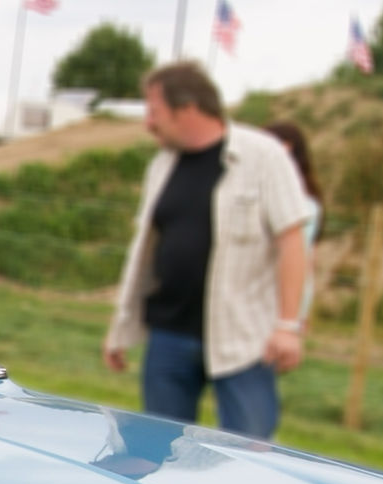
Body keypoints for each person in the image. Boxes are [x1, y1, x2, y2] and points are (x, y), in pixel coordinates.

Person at [102, 62, 309, 440]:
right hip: (169, 337)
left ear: (187, 109)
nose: (149, 123)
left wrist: (288, 326)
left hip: (244, 342)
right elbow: (144, 254)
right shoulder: (161, 166)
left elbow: (292, 241)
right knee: (158, 453)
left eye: (154, 112)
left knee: (251, 457)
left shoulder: (263, 157)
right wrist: (121, 327)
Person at [265, 120, 323, 329]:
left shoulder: (306, 203)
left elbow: (306, 259)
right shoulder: (310, 200)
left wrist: (299, 310)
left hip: (276, 300)